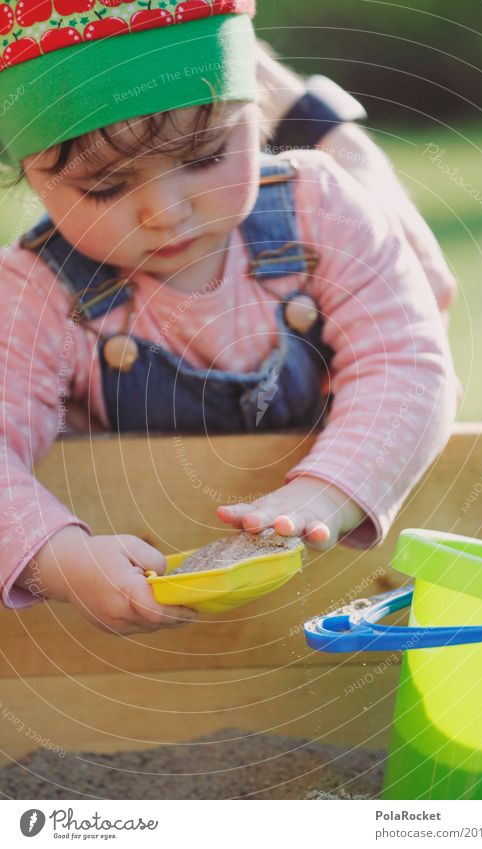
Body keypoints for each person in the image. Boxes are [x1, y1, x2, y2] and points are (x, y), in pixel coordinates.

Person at [0, 0, 456, 634]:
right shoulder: (35, 293)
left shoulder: (320, 211)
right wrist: (58, 556)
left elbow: (408, 364)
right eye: (105, 186)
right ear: (25, 173)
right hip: (141, 654)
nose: (165, 212)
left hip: (317, 605)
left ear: (256, 112)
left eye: (206, 155)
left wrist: (328, 492)